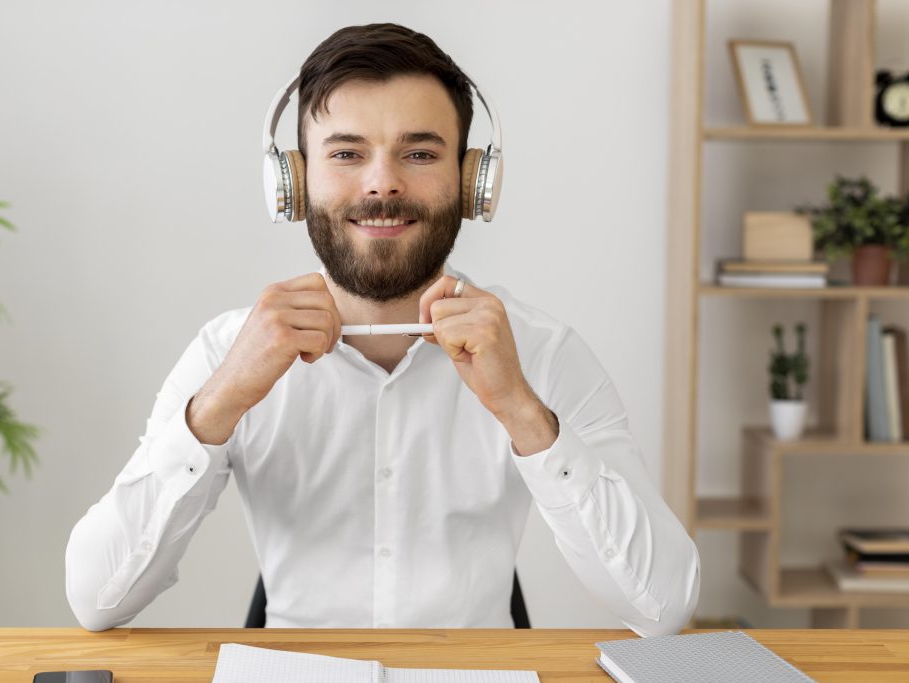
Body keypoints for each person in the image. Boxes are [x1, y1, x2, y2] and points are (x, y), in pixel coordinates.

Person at [65, 22, 699, 635]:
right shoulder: (226, 352)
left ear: (472, 181)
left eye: (419, 153)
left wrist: (522, 411)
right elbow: (96, 601)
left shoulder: (542, 352)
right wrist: (217, 405)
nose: (383, 183)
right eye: (346, 153)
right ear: (294, 180)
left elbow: (663, 606)